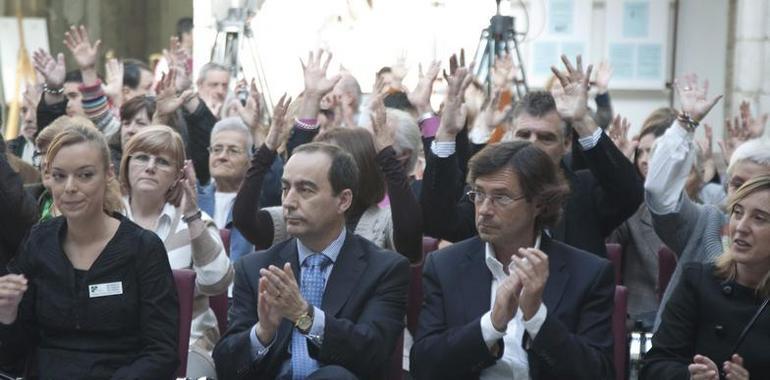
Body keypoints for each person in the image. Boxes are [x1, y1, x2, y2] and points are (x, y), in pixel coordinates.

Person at [410, 141, 615, 379]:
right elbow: (423, 366)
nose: (484, 209)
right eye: (478, 194)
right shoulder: (444, 266)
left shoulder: (588, 273)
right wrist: (491, 325)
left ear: (539, 203)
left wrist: (537, 317)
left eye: (501, 198)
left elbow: (599, 373)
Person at [213, 142, 409, 379]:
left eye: (305, 190)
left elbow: (373, 354)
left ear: (343, 200)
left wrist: (303, 316)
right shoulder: (256, 268)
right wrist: (263, 332)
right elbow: (225, 366)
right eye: (286, 188)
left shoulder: (384, 269)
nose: (289, 202)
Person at [0, 123, 178, 378]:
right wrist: (7, 316)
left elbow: (162, 353)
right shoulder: (39, 242)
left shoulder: (142, 249)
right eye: (60, 176)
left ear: (108, 175)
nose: (70, 187)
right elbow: (14, 354)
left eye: (84, 175)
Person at [421, 55, 642, 258]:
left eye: (546, 137)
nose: (532, 144)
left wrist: (582, 120)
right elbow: (438, 221)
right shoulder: (487, 192)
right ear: (508, 135)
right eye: (524, 134)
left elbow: (629, 193)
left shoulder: (585, 191)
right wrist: (447, 133)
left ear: (566, 144)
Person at [644, 74, 770, 327]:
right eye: (736, 183)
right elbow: (660, 194)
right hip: (683, 357)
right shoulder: (707, 221)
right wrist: (685, 124)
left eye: (752, 186)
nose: (740, 195)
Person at [119, 125, 233, 378]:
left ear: (176, 176)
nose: (150, 167)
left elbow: (217, 282)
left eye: (162, 162)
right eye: (141, 157)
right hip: (118, 342)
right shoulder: (106, 218)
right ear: (126, 165)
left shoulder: (194, 220)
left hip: (188, 342)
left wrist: (192, 215)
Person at [641, 175, 770, 379]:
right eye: (737, 213)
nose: (741, 227)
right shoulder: (698, 281)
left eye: (759, 218)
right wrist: (688, 376)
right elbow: (653, 367)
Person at [197, 116, 283, 264]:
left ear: (250, 160)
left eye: (233, 151)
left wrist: (257, 130)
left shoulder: (260, 202)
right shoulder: (193, 198)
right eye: (217, 149)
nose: (222, 156)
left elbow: (272, 176)